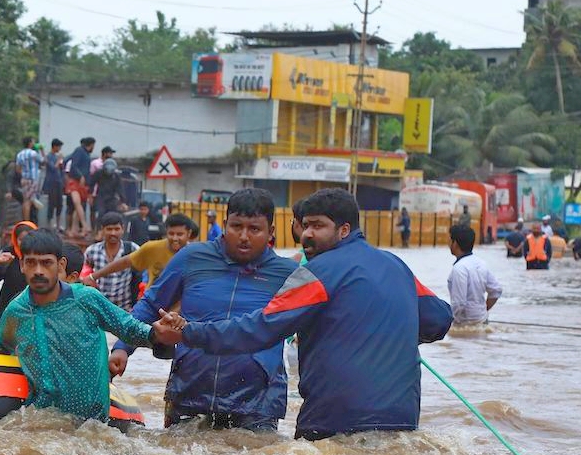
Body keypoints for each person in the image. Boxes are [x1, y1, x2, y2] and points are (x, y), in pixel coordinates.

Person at [152, 188, 453, 441]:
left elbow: (261, 328)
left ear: (344, 230)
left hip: (333, 420)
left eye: (318, 226)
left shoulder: (316, 272)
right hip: (402, 419)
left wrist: (190, 331)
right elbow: (439, 319)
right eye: (304, 225)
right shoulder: (396, 266)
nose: (306, 234)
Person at [109, 189, 297, 432]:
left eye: (254, 229)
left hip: (257, 400)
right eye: (236, 226)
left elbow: (313, 330)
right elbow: (152, 304)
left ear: (271, 232)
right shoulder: (192, 257)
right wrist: (123, 348)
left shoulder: (287, 273)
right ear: (225, 224)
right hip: (190, 390)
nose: (243, 236)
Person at [0, 230, 160, 421]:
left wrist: (159, 335)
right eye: (31, 262)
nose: (38, 271)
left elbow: (130, 328)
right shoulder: (16, 311)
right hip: (42, 426)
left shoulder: (87, 300)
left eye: (46, 263)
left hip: (92, 425)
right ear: (21, 265)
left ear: (60, 264)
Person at [83, 214, 196, 292]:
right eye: (171, 234)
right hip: (153, 304)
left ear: (189, 233)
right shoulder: (152, 247)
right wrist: (93, 276)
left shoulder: (195, 255)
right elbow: (125, 262)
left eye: (180, 234)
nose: (175, 238)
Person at [447, 224, 502, 326]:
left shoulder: (459, 268)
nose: (448, 243)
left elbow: (459, 304)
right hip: (482, 320)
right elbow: (496, 290)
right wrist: (482, 311)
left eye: (450, 240)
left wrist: (449, 323)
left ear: (455, 243)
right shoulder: (481, 263)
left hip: (464, 324)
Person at [84, 212, 140, 310]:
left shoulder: (132, 249)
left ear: (122, 229)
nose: (113, 233)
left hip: (124, 310)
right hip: (97, 308)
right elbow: (84, 275)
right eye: (109, 229)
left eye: (116, 229)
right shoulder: (91, 251)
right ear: (102, 230)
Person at [0, 220, 37, 320]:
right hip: (8, 302)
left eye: (28, 239)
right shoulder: (9, 253)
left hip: (32, 305)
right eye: (21, 239)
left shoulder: (40, 255)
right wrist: (3, 265)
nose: (24, 243)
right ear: (15, 239)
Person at [64, 137, 95, 237]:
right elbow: (74, 165)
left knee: (79, 205)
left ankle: (74, 229)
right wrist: (80, 175)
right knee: (77, 203)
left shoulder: (86, 154)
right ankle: (84, 225)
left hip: (82, 182)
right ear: (90, 144)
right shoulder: (79, 150)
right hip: (75, 181)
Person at [16, 136, 44, 221]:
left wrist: (24, 175)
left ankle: (25, 220)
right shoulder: (33, 154)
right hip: (32, 180)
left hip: (24, 180)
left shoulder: (19, 154)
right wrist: (42, 150)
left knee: (26, 200)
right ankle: (27, 222)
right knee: (28, 202)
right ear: (30, 143)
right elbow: (43, 161)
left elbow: (17, 169)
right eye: (33, 142)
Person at [92, 146, 123, 219]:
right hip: (100, 196)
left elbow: (120, 188)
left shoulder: (116, 175)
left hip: (111, 198)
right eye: (110, 153)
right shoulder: (98, 170)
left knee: (113, 214)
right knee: (100, 213)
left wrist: (123, 201)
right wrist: (90, 195)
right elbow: (92, 182)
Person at [43, 138, 65, 232]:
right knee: (51, 204)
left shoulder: (56, 157)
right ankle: (49, 224)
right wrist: (58, 160)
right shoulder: (48, 156)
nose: (59, 149)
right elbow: (53, 168)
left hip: (58, 182)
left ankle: (58, 224)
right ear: (55, 146)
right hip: (51, 183)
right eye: (59, 146)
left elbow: (60, 169)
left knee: (59, 204)